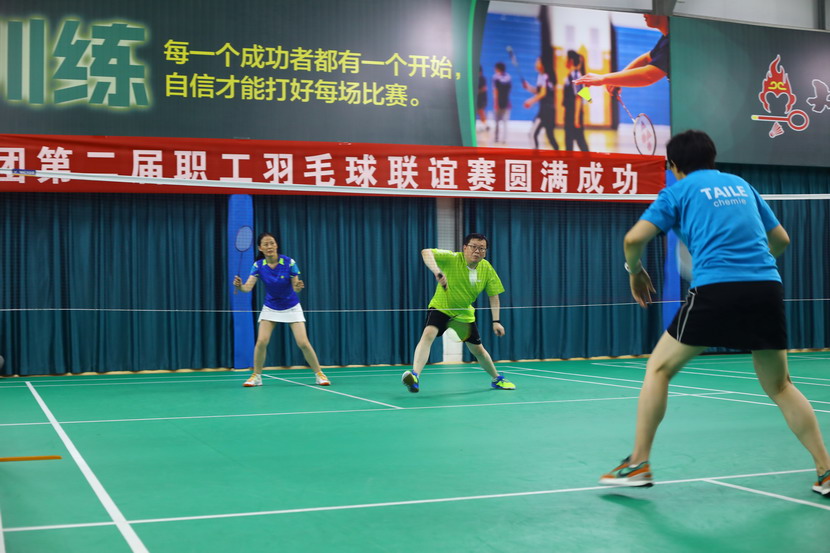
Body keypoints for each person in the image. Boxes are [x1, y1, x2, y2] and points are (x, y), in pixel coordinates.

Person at [599, 130, 830, 498]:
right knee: (781, 386)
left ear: (673, 165)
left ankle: (639, 462)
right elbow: (782, 240)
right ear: (712, 158)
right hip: (766, 287)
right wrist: (752, 267)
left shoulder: (677, 192)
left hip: (716, 289)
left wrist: (635, 271)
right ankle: (826, 470)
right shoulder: (742, 185)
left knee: (658, 369)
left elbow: (633, 239)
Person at [401, 233, 515, 393]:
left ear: (485, 252)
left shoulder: (487, 268)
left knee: (478, 350)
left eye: (482, 248)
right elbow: (426, 252)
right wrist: (437, 272)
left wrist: (496, 321)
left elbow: (493, 296)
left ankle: (497, 379)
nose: (477, 251)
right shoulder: (453, 258)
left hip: (464, 313)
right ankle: (414, 376)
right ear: (465, 248)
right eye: (474, 247)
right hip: (442, 307)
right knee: (428, 334)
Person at [233, 232, 330, 387]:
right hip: (271, 306)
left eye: (272, 243)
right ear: (260, 248)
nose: (269, 246)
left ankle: (319, 374)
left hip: (291, 306)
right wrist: (240, 286)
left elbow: (296, 287)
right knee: (261, 341)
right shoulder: (258, 266)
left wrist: (298, 287)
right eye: (265, 244)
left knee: (303, 342)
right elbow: (247, 288)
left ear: (276, 245)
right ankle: (256, 376)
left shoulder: (289, 263)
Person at [575, 14, 669, 92]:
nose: (643, 14)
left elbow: (648, 76)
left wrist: (602, 79)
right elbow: (646, 59)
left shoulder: (671, 42)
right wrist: (616, 81)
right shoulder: (666, 39)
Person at [523, 5, 558, 150]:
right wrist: (529, 88)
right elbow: (542, 92)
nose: (535, 63)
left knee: (532, 134)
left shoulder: (544, 76)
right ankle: (561, 157)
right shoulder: (545, 76)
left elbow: (543, 93)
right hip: (550, 110)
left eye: (537, 61)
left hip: (545, 111)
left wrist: (530, 101)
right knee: (550, 135)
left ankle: (535, 157)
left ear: (542, 64)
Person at [562, 50, 590, 152]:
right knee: (569, 140)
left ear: (571, 61)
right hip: (570, 113)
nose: (565, 61)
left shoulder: (576, 76)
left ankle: (589, 160)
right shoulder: (570, 75)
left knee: (579, 140)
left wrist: (576, 118)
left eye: (566, 59)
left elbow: (578, 97)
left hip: (574, 114)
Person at [492, 62, 512, 144]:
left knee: (497, 121)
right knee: (505, 122)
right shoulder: (508, 77)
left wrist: (496, 103)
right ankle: (504, 139)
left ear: (498, 69)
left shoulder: (495, 77)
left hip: (499, 102)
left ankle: (496, 138)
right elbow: (508, 91)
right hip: (506, 102)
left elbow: (495, 91)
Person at [476, 65, 489, 132]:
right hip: (477, 99)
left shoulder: (482, 79)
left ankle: (486, 126)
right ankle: (484, 125)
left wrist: (478, 91)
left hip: (482, 99)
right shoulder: (475, 78)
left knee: (481, 112)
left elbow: (484, 88)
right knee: (478, 112)